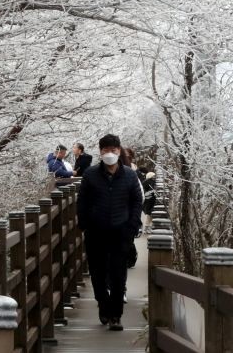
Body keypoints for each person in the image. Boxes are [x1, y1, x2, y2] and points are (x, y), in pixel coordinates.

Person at [76, 133, 142, 331]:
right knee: (97, 272)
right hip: (96, 232)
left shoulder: (130, 175)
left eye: (113, 150)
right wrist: (85, 224)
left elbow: (137, 202)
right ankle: (103, 306)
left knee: (118, 273)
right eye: (105, 150)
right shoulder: (90, 175)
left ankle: (116, 315)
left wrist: (132, 226)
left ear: (119, 151)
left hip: (121, 232)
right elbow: (82, 202)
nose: (110, 154)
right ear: (100, 152)